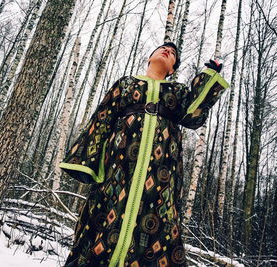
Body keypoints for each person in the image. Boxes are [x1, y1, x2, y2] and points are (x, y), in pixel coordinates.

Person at [59, 42, 229, 267]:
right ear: (149, 57)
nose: (168, 51)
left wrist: (208, 78)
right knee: (101, 223)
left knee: (155, 231)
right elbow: (102, 118)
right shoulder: (126, 84)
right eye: (162, 48)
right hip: (116, 173)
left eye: (173, 54)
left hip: (161, 180)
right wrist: (90, 163)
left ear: (172, 70)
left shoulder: (176, 92)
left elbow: (193, 116)